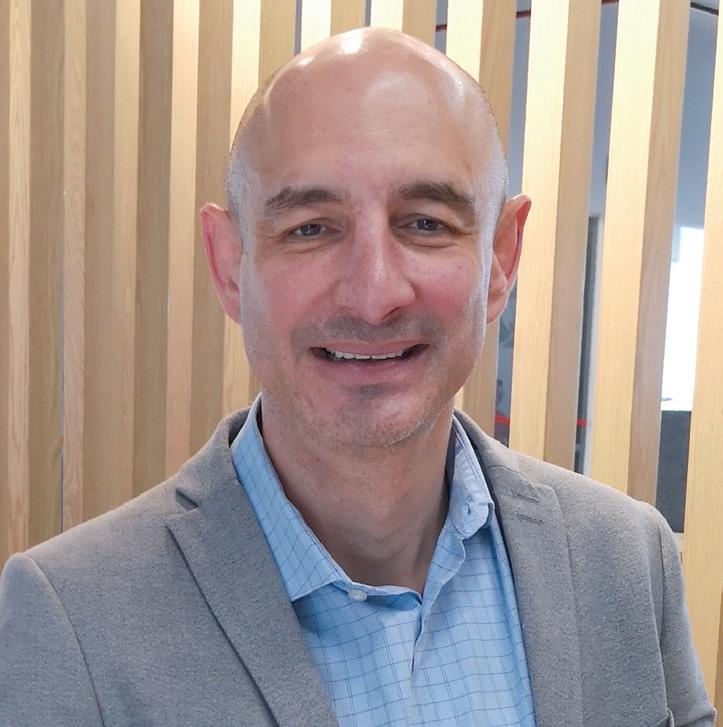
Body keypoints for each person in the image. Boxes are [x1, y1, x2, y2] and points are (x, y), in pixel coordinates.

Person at [0, 27, 715, 727]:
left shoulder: (625, 560)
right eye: (310, 227)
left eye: (426, 223)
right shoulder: (72, 621)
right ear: (229, 264)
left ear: (500, 259)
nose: (373, 295)